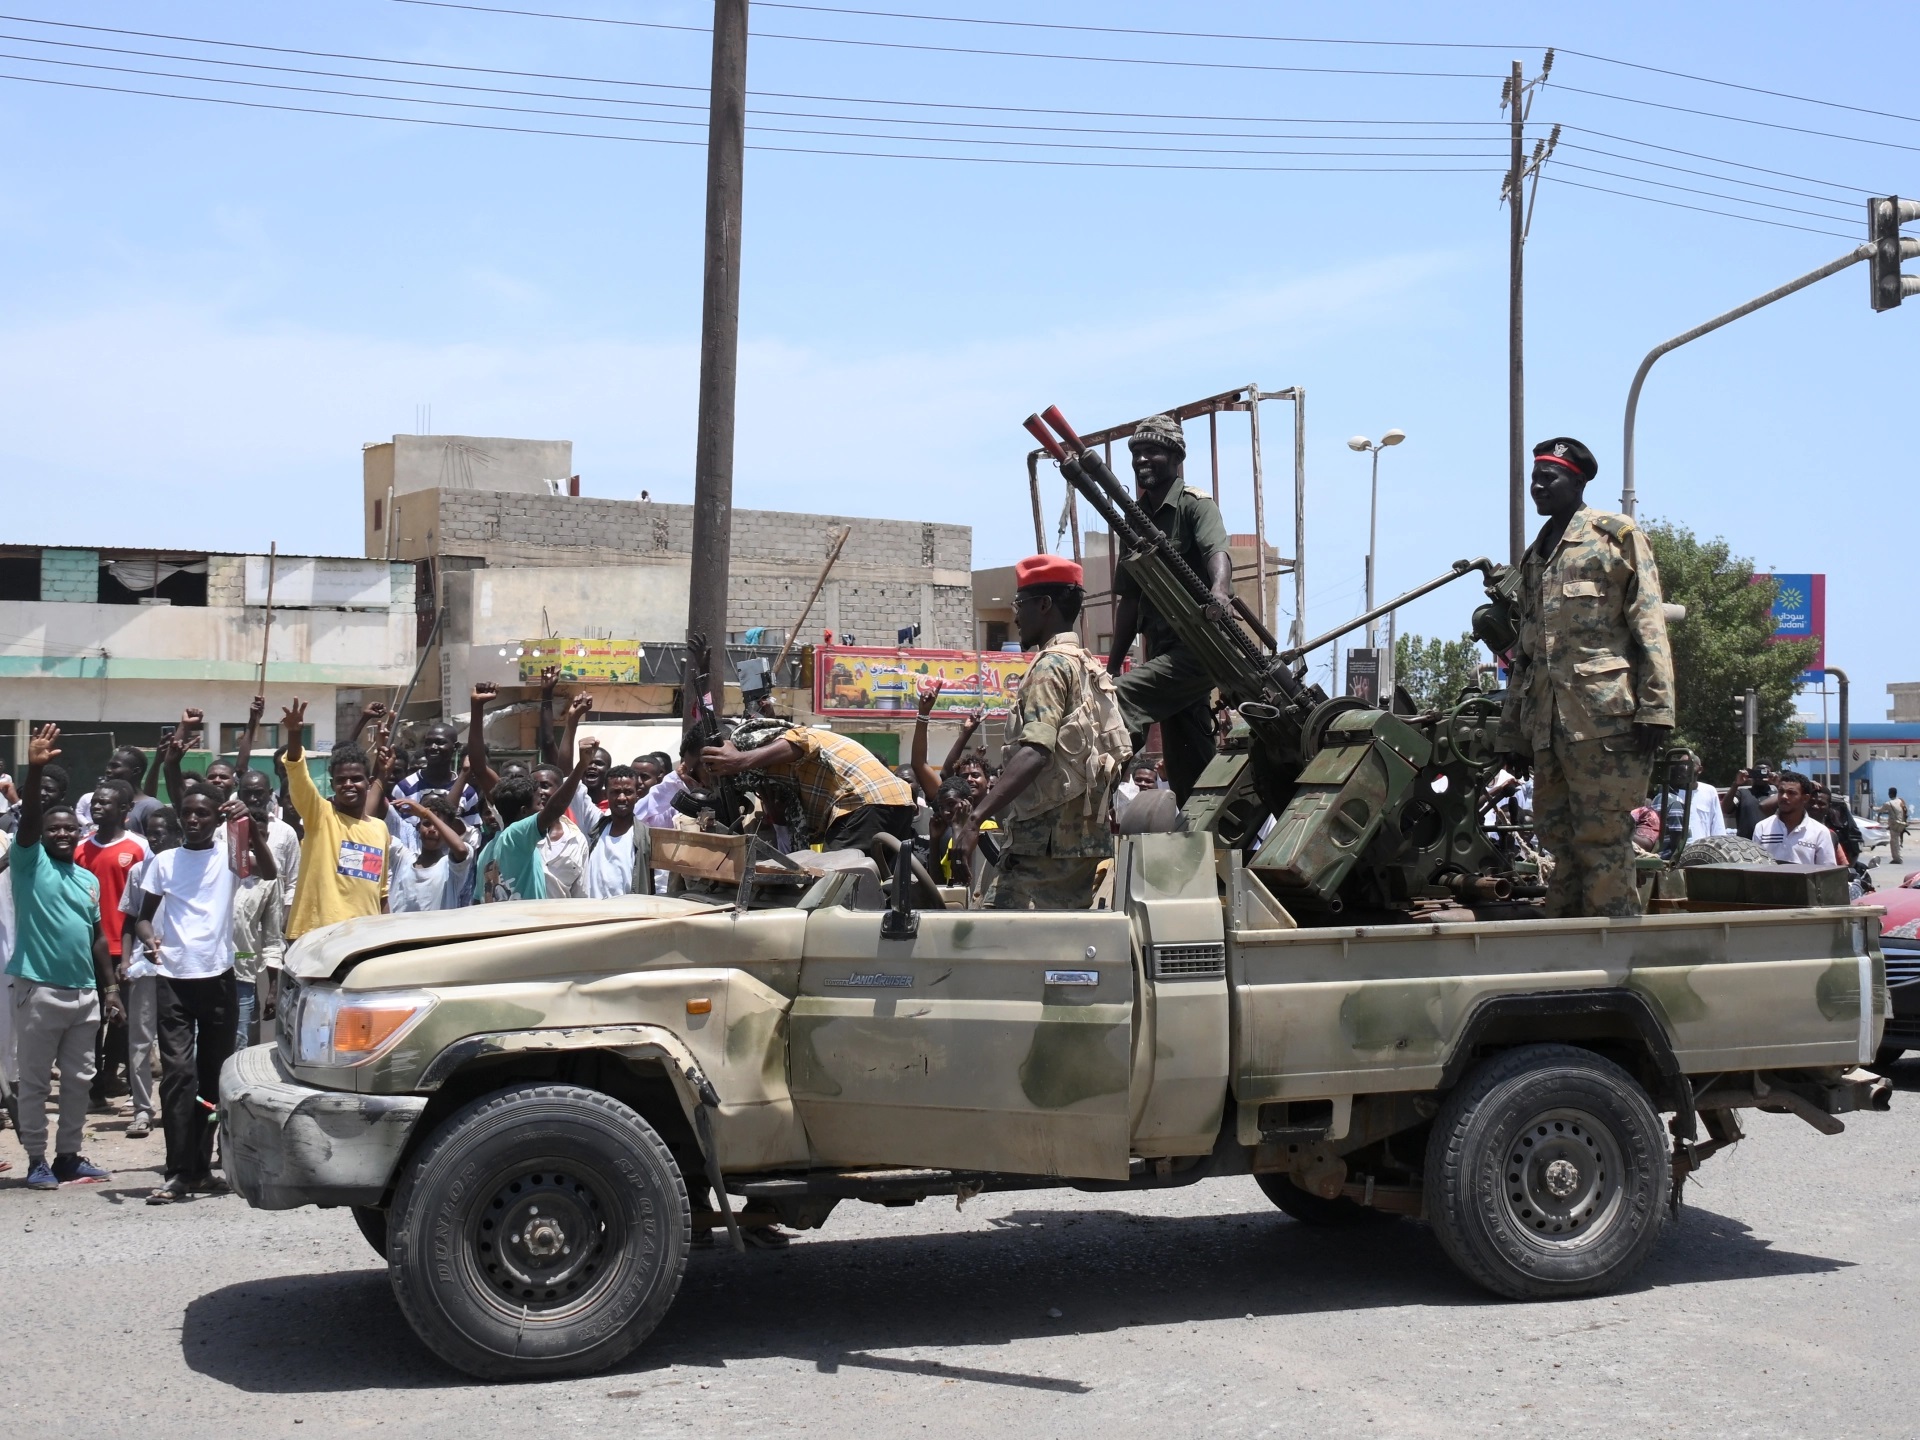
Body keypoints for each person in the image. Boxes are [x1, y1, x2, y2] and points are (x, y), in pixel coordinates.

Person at [1494, 437, 1674, 919]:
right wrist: (1515, 731)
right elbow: (1528, 652)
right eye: (1533, 478)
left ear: (1578, 481)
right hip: (1550, 728)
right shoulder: (1536, 555)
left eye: (1548, 478)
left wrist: (1657, 707)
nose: (1537, 486)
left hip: (1606, 723)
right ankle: (1566, 948)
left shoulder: (1614, 536)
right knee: (1557, 840)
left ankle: (1613, 954)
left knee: (1603, 840)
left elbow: (1649, 625)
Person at [132, 786, 276, 1202]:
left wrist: (250, 828)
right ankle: (176, 1171)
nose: (194, 820)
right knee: (179, 1075)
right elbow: (144, 919)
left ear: (217, 820)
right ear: (180, 818)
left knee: (212, 1078)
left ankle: (200, 1169)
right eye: (188, 813)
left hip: (218, 978)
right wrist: (148, 940)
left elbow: (267, 872)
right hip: (174, 979)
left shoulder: (229, 858)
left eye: (203, 814)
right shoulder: (163, 862)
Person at [960, 556, 1128, 910]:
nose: (1016, 616)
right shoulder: (1085, 665)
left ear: (1044, 604)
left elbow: (1037, 751)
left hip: (1043, 849)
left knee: (996, 942)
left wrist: (977, 817)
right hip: (1081, 844)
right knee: (1058, 945)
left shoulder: (1051, 666)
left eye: (1019, 605)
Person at [8, 725, 121, 1190]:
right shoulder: (28, 862)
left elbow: (97, 937)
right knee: (35, 1082)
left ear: (80, 834)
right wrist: (34, 770)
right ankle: (36, 1159)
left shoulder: (87, 879)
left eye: (67, 829)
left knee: (79, 1080)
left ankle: (68, 1157)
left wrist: (110, 986)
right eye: (53, 828)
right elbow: (31, 820)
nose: (59, 833)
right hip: (38, 989)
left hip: (85, 994)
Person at [1104, 413, 1236, 807]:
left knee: (1119, 702)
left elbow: (1218, 552)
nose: (1142, 460)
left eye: (1152, 451)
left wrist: (1220, 591)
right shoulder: (1135, 517)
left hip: (1199, 648)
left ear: (1176, 456)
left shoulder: (1195, 505)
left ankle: (1093, 792)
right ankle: (1202, 834)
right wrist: (1110, 667)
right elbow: (1129, 598)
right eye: (1136, 453)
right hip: (1166, 653)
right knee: (1187, 762)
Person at [696, 721, 918, 856]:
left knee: (835, 898)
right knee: (877, 894)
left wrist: (739, 760)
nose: (701, 781)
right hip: (893, 799)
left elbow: (802, 740)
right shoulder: (753, 775)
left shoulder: (743, 741)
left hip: (863, 800)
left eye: (698, 770)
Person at [278, 699, 389, 940]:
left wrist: (385, 937)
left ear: (368, 783)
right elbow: (298, 773)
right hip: (316, 937)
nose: (348, 784)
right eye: (341, 780)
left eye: (356, 779)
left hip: (364, 940)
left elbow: (380, 894)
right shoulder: (319, 816)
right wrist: (295, 735)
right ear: (332, 785)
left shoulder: (380, 829)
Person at [74, 780, 150, 1117]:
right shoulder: (79, 849)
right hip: (89, 946)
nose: (98, 806)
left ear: (125, 810)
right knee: (91, 1019)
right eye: (95, 802)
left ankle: (115, 1075)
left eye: (106, 802)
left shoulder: (138, 848)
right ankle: (95, 1089)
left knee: (124, 1019)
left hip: (125, 946)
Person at [475, 737, 597, 902]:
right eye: (538, 803)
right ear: (524, 812)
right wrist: (581, 766)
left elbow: (477, 899)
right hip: (530, 925)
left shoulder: (487, 850)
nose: (543, 807)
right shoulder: (517, 835)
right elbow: (555, 808)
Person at [388, 792, 475, 912]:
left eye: (438, 826)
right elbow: (370, 823)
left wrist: (426, 814)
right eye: (427, 824)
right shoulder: (402, 858)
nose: (432, 830)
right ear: (418, 828)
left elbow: (461, 850)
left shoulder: (451, 867)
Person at [584, 767, 650, 898]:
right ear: (606, 795)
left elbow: (661, 883)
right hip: (592, 913)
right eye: (615, 792)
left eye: (628, 792)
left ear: (637, 795)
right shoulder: (596, 829)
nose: (621, 798)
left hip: (630, 915)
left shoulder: (646, 837)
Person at [73, 743, 162, 836]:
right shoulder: (108, 806)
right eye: (108, 766)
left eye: (115, 766)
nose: (108, 770)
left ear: (135, 771)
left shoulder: (151, 807)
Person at [1753, 771, 1836, 866]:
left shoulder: (1820, 832)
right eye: (1781, 791)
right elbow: (1754, 866)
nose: (1784, 797)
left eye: (1791, 793)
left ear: (1805, 798)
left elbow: (1827, 872)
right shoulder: (1762, 827)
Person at [1734, 764, 1775, 840]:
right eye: (1757, 772)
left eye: (1764, 772)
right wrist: (1736, 784)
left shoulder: (1777, 795)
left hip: (1770, 843)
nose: (1760, 775)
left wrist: (1778, 784)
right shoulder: (1742, 793)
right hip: (1745, 845)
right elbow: (1725, 809)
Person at [1877, 787, 1909, 865]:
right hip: (1901, 824)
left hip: (1894, 824)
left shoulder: (1889, 803)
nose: (1888, 794)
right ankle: (1897, 858)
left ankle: (1898, 859)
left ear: (1891, 793)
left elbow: (1880, 810)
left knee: (1894, 842)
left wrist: (1872, 807)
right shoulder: (1900, 801)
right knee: (1896, 841)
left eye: (1889, 792)